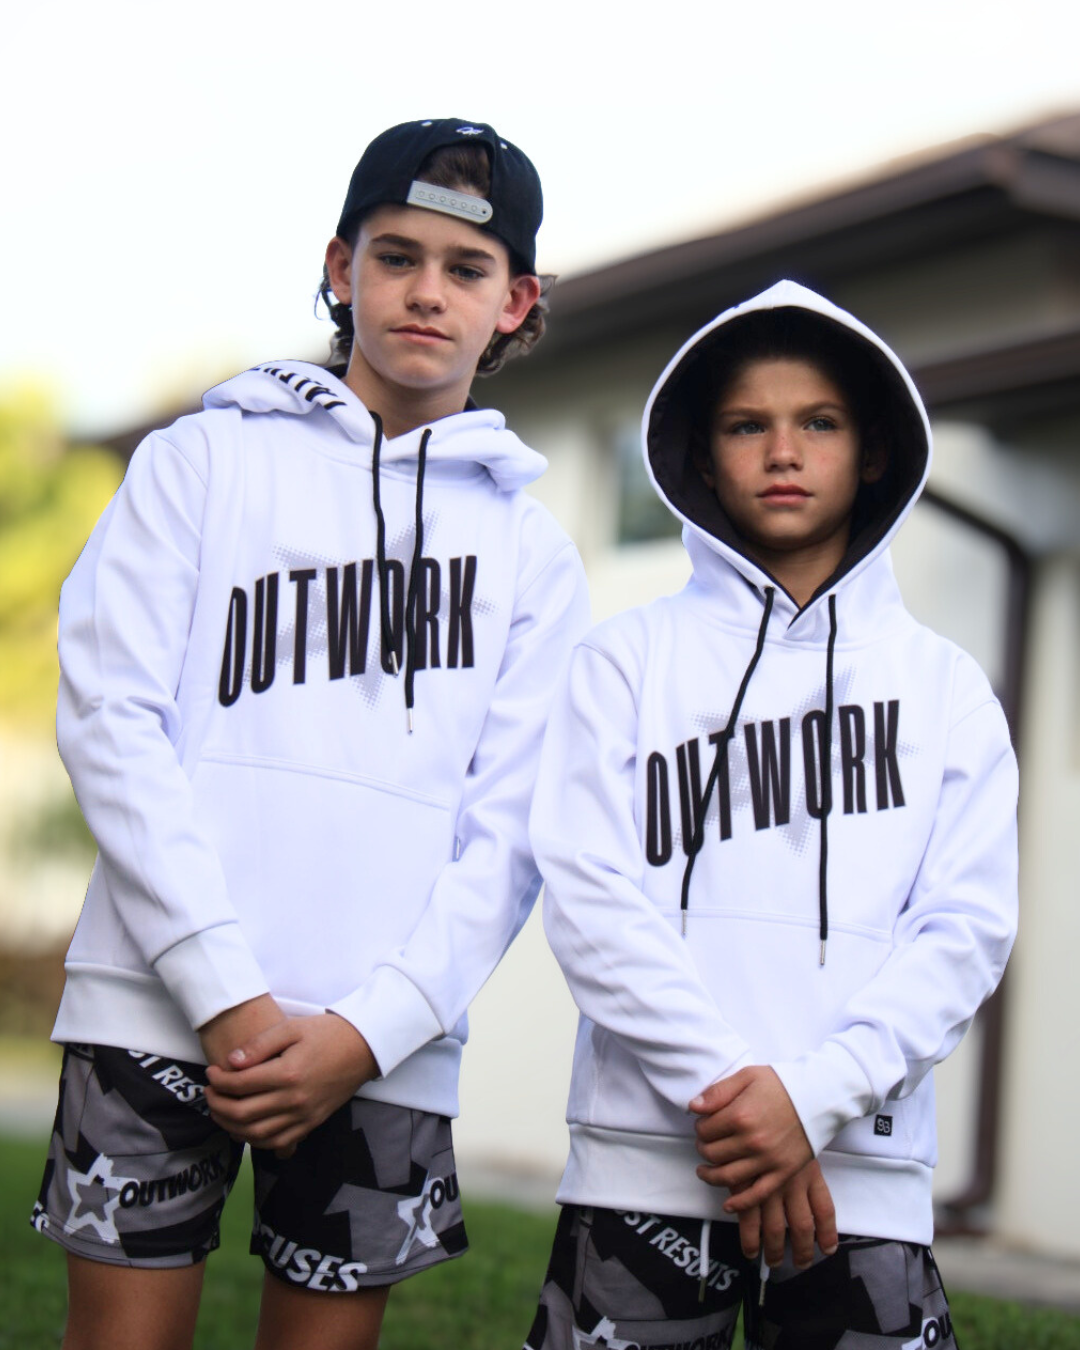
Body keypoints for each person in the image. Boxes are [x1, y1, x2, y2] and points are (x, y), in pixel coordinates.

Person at [31, 117, 589, 1350]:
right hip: (152, 1003)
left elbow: (512, 834)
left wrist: (371, 1029)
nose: (427, 292)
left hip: (379, 1039)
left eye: (466, 268)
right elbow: (112, 722)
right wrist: (222, 990)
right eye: (397, 256)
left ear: (516, 301)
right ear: (341, 268)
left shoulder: (533, 554)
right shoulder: (200, 461)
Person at [524, 280, 1018, 1349]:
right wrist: (740, 1099)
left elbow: (965, 932)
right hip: (643, 1167)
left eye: (819, 423)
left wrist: (814, 1096)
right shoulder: (624, 662)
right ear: (703, 456)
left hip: (864, 1180)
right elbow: (589, 903)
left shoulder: (946, 689)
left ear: (873, 451)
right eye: (748, 426)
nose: (783, 453)